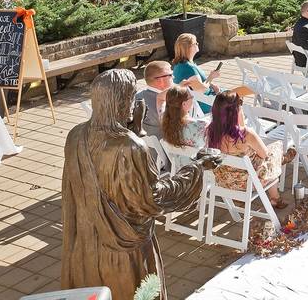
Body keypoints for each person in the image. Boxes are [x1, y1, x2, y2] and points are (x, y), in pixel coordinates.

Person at [61, 69, 220, 300]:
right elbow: (154, 199)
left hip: (85, 246)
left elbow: (95, 182)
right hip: (124, 254)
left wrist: (134, 129)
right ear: (121, 100)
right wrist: (197, 167)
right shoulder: (130, 146)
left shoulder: (75, 136)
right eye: (131, 96)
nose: (134, 102)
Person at [206, 91, 292, 208]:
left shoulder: (211, 131)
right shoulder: (246, 134)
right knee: (274, 150)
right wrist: (241, 123)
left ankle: (241, 199)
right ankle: (275, 196)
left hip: (224, 182)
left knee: (260, 160)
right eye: (240, 105)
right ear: (235, 111)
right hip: (249, 183)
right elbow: (264, 154)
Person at [171, 33, 252, 114]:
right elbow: (201, 89)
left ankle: (255, 94)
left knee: (240, 92)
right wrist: (211, 77)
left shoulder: (180, 65)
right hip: (206, 103)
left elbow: (197, 85)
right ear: (189, 47)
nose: (198, 44)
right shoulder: (188, 68)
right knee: (242, 91)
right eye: (195, 43)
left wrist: (212, 86)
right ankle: (256, 97)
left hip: (205, 98)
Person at [138, 60, 173, 138]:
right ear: (160, 80)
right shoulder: (170, 102)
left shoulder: (137, 96)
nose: (174, 77)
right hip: (167, 146)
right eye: (170, 75)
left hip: (145, 145)